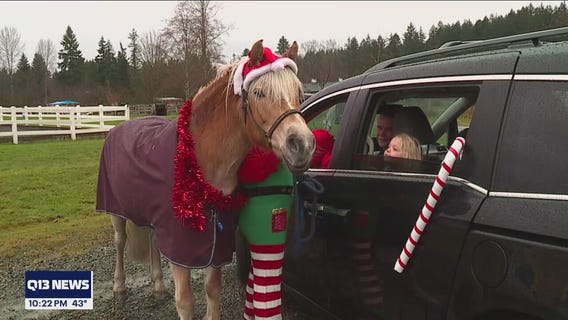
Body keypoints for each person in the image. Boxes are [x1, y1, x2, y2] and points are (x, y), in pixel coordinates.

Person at [237, 147, 294, 320]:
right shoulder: (268, 144)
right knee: (268, 280)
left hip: (261, 211)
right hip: (268, 213)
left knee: (260, 272)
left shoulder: (252, 143)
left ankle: (249, 316)